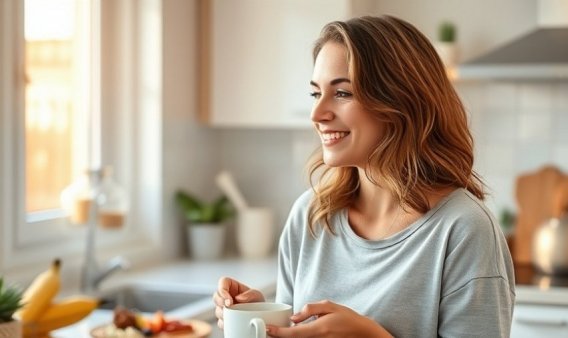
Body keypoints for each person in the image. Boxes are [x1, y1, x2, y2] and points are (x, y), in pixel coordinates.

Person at [213, 15, 515, 337]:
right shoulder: (311, 216)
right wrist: (264, 320)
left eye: (342, 93)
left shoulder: (463, 230)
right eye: (316, 94)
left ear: (401, 100)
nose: (318, 114)